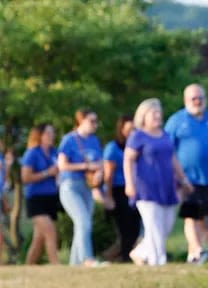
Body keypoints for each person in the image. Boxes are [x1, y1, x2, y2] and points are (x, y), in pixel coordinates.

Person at [124, 98, 193, 266]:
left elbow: (173, 159)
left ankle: (140, 252)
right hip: (145, 188)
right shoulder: (137, 136)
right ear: (144, 116)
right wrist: (129, 183)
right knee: (153, 225)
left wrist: (183, 179)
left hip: (167, 186)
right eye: (153, 113)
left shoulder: (165, 136)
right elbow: (128, 160)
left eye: (158, 112)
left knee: (165, 226)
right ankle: (158, 260)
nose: (157, 115)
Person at [165, 84, 208, 263]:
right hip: (188, 178)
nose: (197, 101)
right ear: (185, 100)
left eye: (200, 98)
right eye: (193, 98)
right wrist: (175, 177)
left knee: (206, 219)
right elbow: (166, 150)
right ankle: (198, 249)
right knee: (191, 215)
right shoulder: (176, 120)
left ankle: (194, 254)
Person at [57, 108, 104, 266]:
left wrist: (98, 173)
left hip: (87, 186)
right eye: (91, 121)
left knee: (83, 224)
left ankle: (75, 264)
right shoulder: (69, 140)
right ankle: (87, 259)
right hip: (70, 186)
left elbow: (99, 163)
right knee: (83, 221)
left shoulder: (94, 141)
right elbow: (62, 165)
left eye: (96, 121)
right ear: (81, 121)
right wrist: (85, 165)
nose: (95, 124)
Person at [103, 115, 142, 263]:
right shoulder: (113, 148)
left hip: (135, 189)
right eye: (129, 129)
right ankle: (123, 257)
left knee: (135, 226)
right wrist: (108, 196)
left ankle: (126, 255)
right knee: (124, 228)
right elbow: (108, 175)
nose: (132, 132)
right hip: (119, 189)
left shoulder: (138, 145)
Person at [20, 123, 60, 265]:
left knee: (38, 240)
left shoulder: (55, 152)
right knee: (50, 231)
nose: (51, 136)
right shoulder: (32, 153)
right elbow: (25, 177)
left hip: (50, 198)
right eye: (48, 133)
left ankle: (27, 268)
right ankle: (57, 266)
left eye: (52, 133)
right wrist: (47, 173)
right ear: (40, 135)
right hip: (35, 199)